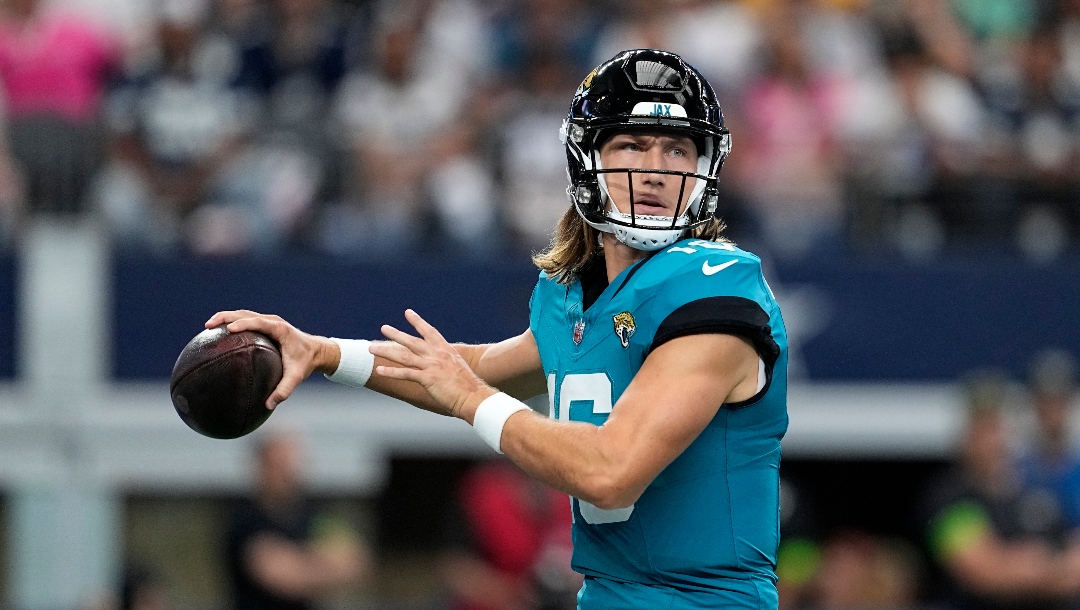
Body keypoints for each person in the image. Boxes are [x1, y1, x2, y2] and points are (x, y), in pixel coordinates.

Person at [209, 49, 789, 609]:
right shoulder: (574, 295)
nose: (656, 169)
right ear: (587, 159)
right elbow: (464, 371)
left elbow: (610, 471)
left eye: (677, 150)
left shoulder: (716, 290)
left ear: (703, 167)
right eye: (633, 144)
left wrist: (471, 399)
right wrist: (325, 353)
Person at [920, 371, 1080, 610]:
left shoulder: (1036, 490)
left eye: (996, 426)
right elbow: (985, 573)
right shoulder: (947, 497)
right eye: (981, 428)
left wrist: (1031, 567)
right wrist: (1039, 567)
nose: (991, 439)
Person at [225, 431, 369, 610]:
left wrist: (303, 562)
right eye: (278, 466)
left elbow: (355, 560)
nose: (287, 475)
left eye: (290, 466)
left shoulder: (312, 516)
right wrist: (323, 561)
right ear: (261, 466)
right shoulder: (245, 521)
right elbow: (285, 579)